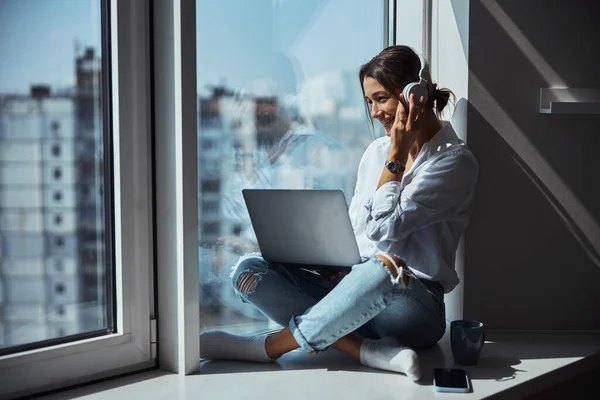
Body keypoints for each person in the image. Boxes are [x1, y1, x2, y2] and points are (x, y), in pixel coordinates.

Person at [199, 45, 479, 382]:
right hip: (355, 293)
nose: (375, 112)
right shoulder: (374, 151)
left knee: (384, 267)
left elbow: (384, 230)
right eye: (369, 102)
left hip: (412, 307)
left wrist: (397, 156)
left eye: (382, 98)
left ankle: (270, 346)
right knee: (249, 271)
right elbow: (359, 229)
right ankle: (367, 351)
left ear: (413, 96)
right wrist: (331, 262)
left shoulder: (453, 162)